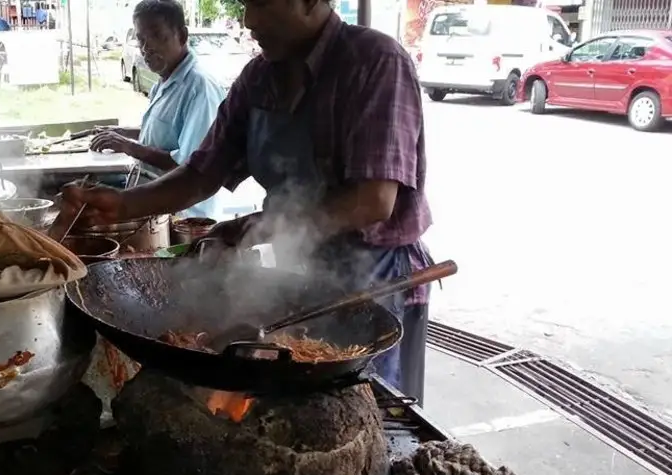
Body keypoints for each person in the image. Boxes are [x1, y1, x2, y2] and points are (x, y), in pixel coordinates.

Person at [61, 0, 433, 403]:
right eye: (245, 4)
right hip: (294, 265)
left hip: (371, 280)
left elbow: (372, 201)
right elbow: (202, 172)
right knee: (283, 402)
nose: (249, 20)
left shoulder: (374, 62)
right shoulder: (259, 78)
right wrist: (123, 204)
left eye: (262, 3)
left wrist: (265, 229)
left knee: (363, 416)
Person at [88, 0, 229, 219]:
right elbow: (162, 134)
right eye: (141, 39)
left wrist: (128, 147)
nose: (146, 48)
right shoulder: (162, 83)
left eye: (156, 35)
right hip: (156, 211)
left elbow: (185, 164)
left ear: (181, 36)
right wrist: (123, 133)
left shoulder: (199, 88)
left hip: (184, 219)